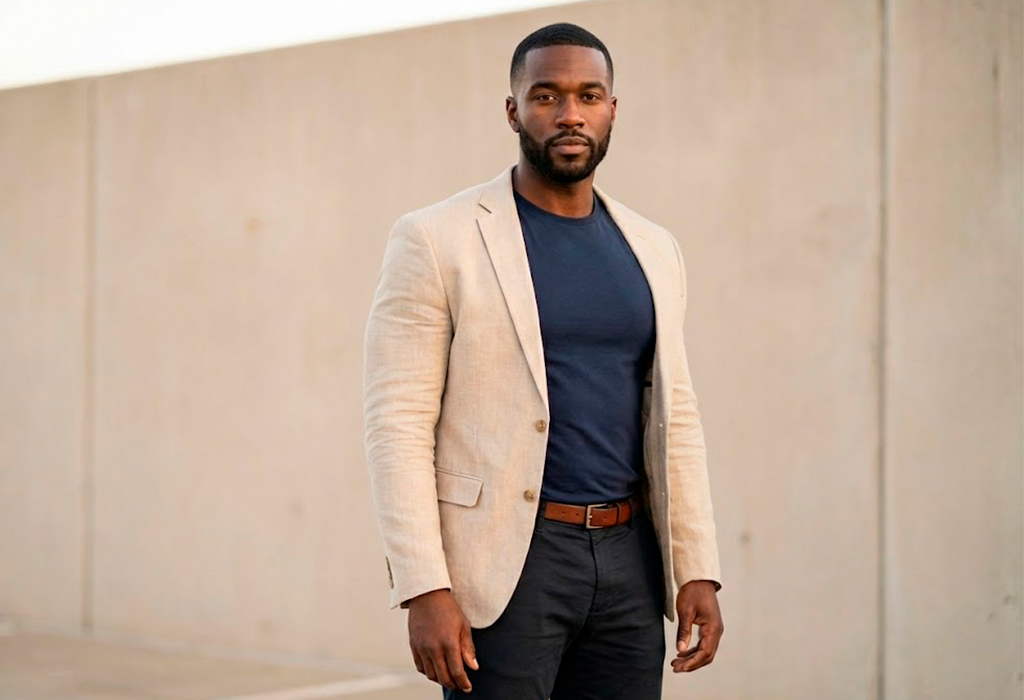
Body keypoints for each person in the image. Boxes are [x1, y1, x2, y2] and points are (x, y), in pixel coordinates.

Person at [363, 22, 724, 700]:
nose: (569, 114)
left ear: (612, 109)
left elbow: (677, 420)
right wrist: (424, 586)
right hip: (506, 565)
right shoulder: (437, 239)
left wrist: (695, 565)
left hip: (630, 562)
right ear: (513, 111)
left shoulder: (653, 248)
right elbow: (398, 426)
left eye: (589, 96)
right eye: (546, 96)